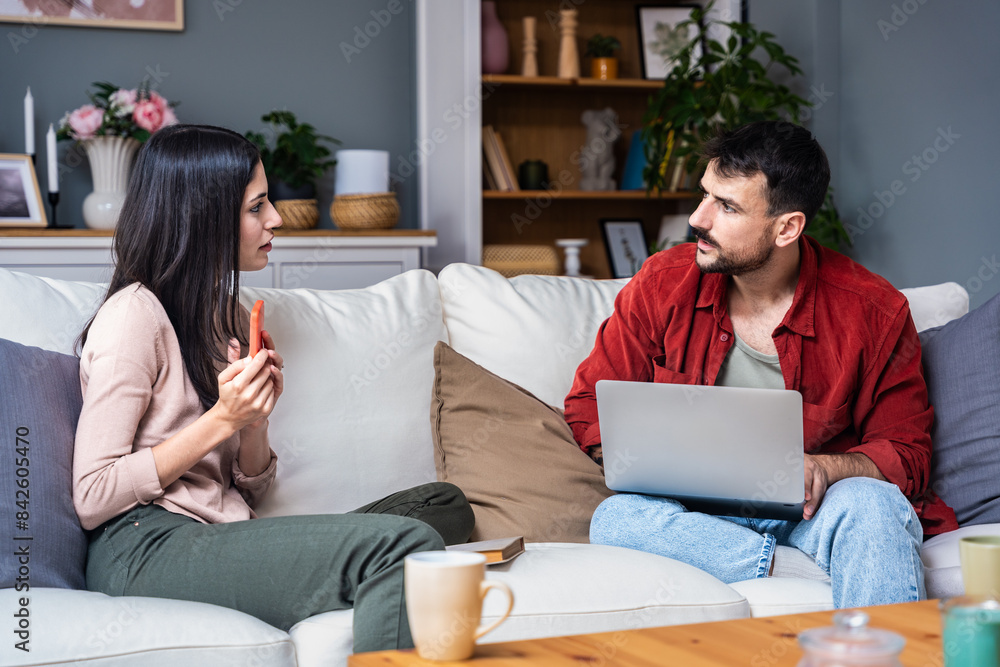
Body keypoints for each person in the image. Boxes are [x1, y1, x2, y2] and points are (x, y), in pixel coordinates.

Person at [72, 124, 474, 652]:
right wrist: (222, 419)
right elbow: (92, 494)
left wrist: (255, 422)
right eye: (256, 207)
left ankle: (356, 579)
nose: (276, 219)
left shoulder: (232, 320)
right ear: (205, 218)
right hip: (143, 547)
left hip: (219, 532)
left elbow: (251, 487)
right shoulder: (133, 316)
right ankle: (374, 576)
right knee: (404, 544)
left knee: (444, 505)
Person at [564, 120, 958, 609]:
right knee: (617, 519)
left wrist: (827, 468)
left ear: (787, 227)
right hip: (693, 515)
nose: (698, 219)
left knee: (873, 506)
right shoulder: (661, 283)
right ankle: (781, 566)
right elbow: (587, 404)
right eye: (706, 194)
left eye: (726, 207)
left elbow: (907, 451)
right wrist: (652, 462)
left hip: (812, 510)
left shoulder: (874, 311)